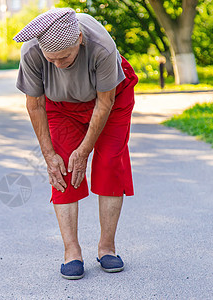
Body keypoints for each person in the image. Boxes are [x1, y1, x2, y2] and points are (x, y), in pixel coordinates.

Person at [13, 7, 138, 280]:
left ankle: (107, 247)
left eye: (65, 57)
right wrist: (48, 156)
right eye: (52, 59)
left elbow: (105, 103)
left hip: (111, 101)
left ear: (79, 40)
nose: (58, 65)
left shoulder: (101, 47)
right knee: (62, 169)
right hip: (60, 106)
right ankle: (72, 252)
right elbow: (34, 105)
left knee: (108, 163)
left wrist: (84, 151)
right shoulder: (32, 53)